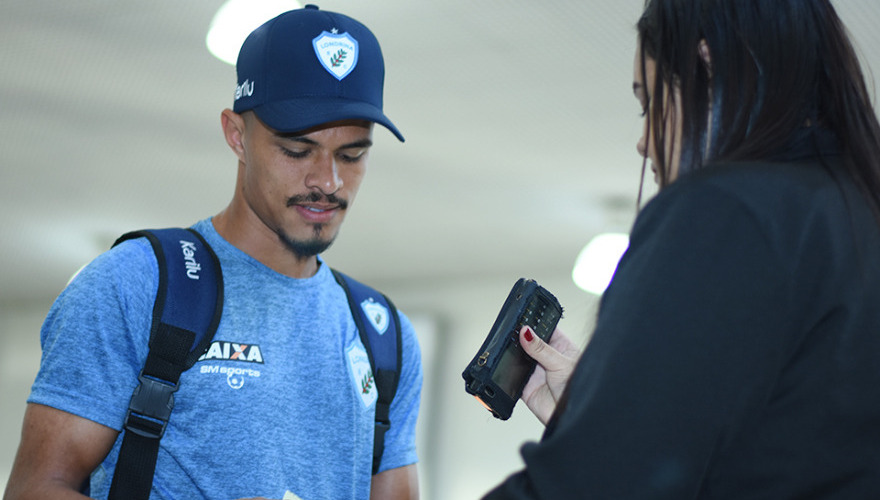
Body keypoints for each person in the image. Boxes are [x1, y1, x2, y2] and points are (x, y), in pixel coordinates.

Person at [4, 5, 421, 500]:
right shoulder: (137, 283)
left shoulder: (383, 336)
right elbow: (34, 489)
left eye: (352, 155)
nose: (327, 181)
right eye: (297, 150)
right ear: (236, 135)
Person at [485, 0, 880, 497]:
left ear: (707, 62)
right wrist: (603, 409)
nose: (644, 142)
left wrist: (599, 433)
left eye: (649, 103)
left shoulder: (727, 211)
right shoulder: (853, 210)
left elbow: (592, 485)